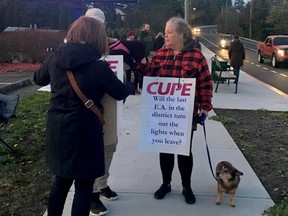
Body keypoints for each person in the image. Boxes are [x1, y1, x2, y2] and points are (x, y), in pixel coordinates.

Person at [33, 16, 133, 216]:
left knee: (61, 181)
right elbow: (120, 92)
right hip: (85, 132)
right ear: (98, 38)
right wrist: (130, 85)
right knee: (83, 186)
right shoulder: (98, 67)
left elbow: (38, 78)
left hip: (57, 129)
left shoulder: (56, 57)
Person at [145, 17, 213, 205]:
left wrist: (205, 107)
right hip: (163, 114)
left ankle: (186, 186)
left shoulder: (196, 57)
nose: (166, 36)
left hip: (184, 114)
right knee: (165, 150)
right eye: (165, 32)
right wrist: (141, 64)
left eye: (170, 32)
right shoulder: (160, 54)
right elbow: (149, 77)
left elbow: (205, 84)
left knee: (184, 151)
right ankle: (166, 183)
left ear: (181, 34)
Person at [84, 7, 126, 216]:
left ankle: (102, 184)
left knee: (110, 144)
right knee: (92, 150)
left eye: (99, 24)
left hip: (109, 101)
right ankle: (91, 193)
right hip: (88, 104)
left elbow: (128, 60)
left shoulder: (113, 45)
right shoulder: (76, 47)